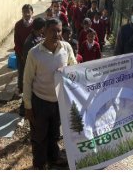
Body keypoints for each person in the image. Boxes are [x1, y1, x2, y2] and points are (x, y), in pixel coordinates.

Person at [23, 18, 76, 169]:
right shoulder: (34, 53)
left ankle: (53, 159)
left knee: (54, 134)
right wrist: (28, 106)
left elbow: (74, 68)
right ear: (44, 31)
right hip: (40, 102)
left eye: (59, 30)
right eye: (53, 30)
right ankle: (39, 165)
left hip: (59, 101)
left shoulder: (66, 48)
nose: (56, 34)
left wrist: (67, 72)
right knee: (39, 137)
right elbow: (27, 81)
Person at [12, 4, 35, 95]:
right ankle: (20, 87)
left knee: (33, 71)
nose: (26, 14)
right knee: (21, 70)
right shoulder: (18, 25)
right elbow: (16, 41)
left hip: (33, 52)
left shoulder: (35, 24)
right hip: (20, 53)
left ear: (32, 13)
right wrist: (21, 54)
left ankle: (33, 88)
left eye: (28, 12)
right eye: (24, 12)